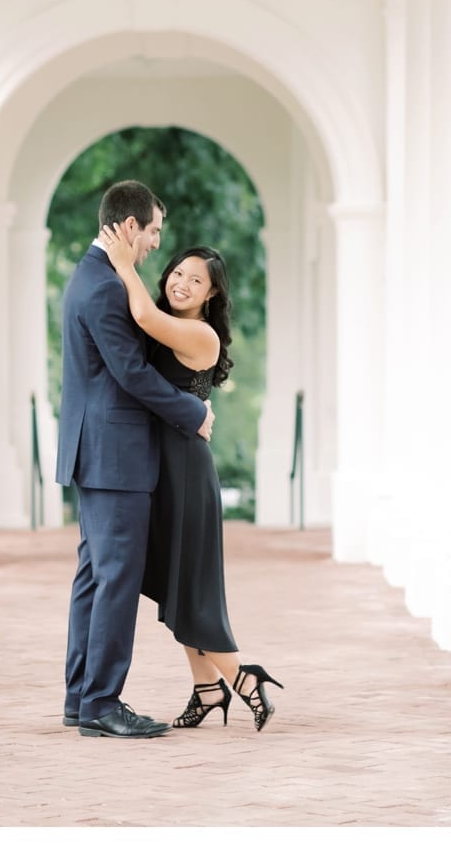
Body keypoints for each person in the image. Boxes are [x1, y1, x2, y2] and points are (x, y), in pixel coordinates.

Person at [98, 225, 285, 732]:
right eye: (177, 273)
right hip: (160, 469)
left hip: (184, 472)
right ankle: (207, 690)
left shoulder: (200, 333)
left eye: (195, 281)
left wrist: (121, 262)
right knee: (175, 585)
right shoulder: (167, 322)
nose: (181, 283)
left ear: (212, 293)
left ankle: (244, 679)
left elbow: (141, 313)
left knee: (193, 587)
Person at [58, 180, 215, 739]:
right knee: (115, 580)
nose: (155, 244)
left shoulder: (91, 275)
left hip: (96, 451)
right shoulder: (104, 287)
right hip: (114, 455)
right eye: (152, 231)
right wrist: (191, 411)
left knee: (95, 580)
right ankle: (101, 702)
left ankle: (82, 698)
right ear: (129, 227)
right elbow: (131, 373)